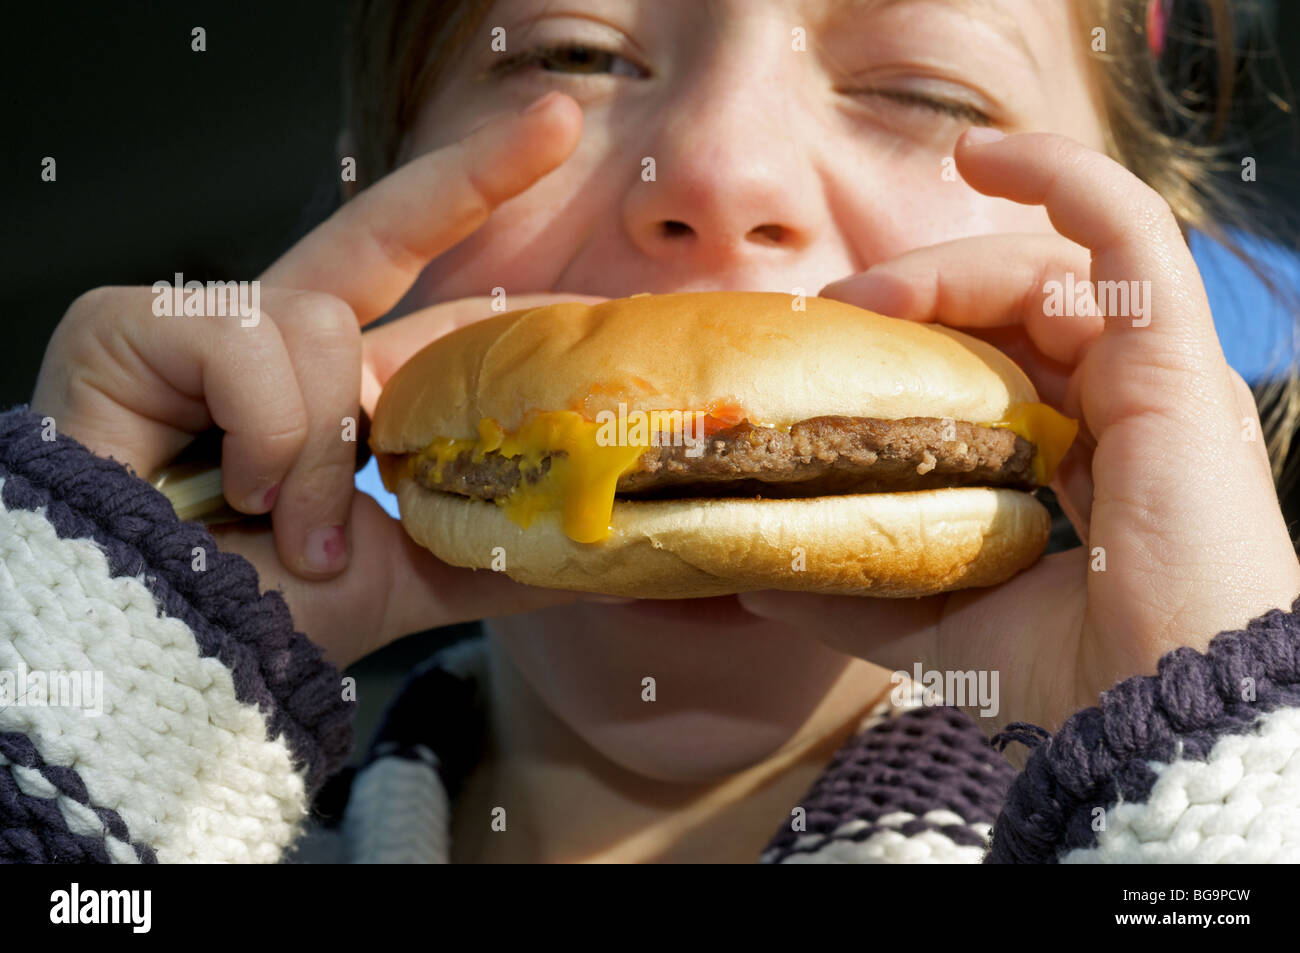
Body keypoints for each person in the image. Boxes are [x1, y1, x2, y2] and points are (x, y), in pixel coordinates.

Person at [4, 0, 1300, 864]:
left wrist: (1204, 759)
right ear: (390, 199)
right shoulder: (134, 799)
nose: (717, 166)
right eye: (575, 54)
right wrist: (105, 676)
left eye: (925, 87)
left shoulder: (1203, 822)